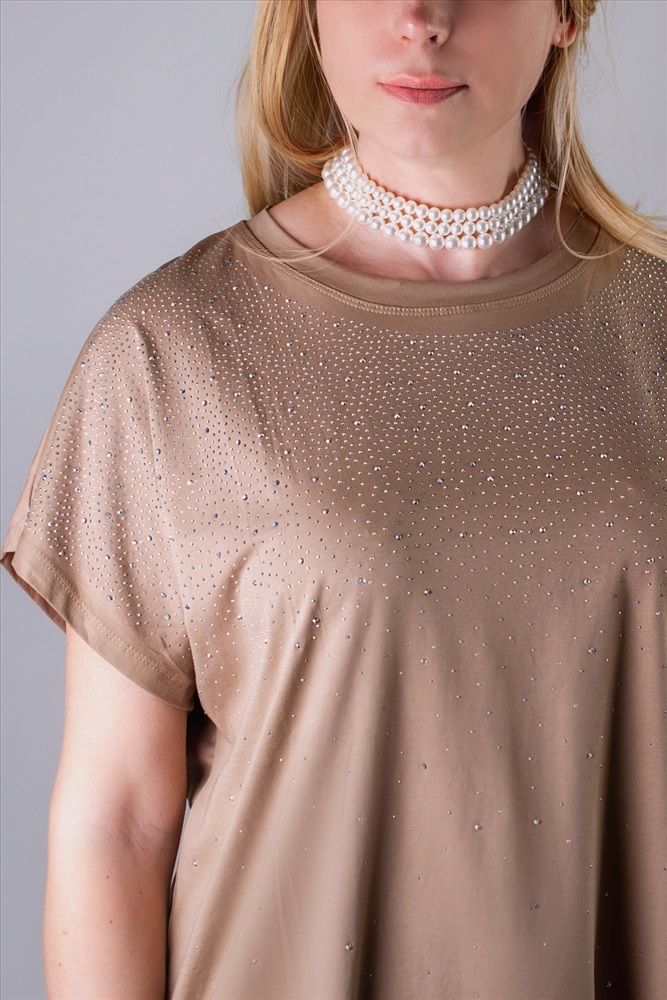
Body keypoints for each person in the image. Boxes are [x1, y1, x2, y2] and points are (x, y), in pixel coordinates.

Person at [2, 0, 665, 997]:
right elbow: (116, 820)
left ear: (568, 11)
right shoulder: (170, 352)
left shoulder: (654, 332)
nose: (421, 18)